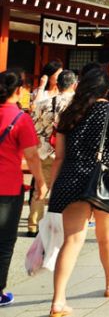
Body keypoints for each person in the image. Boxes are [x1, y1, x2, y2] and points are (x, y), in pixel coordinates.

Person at [49, 70, 109, 316]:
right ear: (105, 90)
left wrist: (53, 188)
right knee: (107, 237)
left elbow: (59, 157)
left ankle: (58, 301)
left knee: (72, 240)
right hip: (104, 180)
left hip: (71, 179)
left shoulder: (68, 114)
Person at [0, 70, 47, 308]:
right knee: (4, 241)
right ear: (19, 90)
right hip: (7, 187)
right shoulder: (20, 118)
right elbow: (32, 156)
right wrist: (41, 182)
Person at [27, 69, 76, 237]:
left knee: (40, 188)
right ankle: (62, 225)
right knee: (67, 190)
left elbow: (33, 126)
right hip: (68, 153)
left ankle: (34, 225)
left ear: (58, 84)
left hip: (45, 151)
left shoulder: (43, 104)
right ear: (74, 84)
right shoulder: (78, 106)